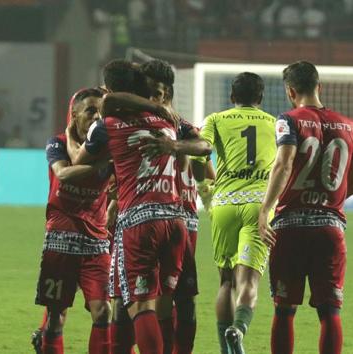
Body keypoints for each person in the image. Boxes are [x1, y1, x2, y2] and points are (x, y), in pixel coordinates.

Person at [68, 59, 207, 354]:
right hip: (176, 220)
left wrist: (70, 138)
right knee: (166, 305)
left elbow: (79, 160)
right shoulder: (169, 122)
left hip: (138, 222)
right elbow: (204, 148)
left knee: (138, 305)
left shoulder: (107, 125)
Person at [258, 61, 352, 354]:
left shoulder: (289, 119)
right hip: (330, 228)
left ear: (290, 91)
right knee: (330, 312)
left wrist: (265, 210)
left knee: (285, 309)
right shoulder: (348, 125)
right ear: (318, 86)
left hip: (290, 227)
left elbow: (284, 164)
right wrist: (331, 196)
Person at [192, 72, 276, 354]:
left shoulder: (216, 119)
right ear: (261, 99)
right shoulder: (275, 125)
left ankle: (225, 350)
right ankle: (238, 329)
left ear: (232, 97)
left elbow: (198, 156)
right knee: (248, 281)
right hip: (259, 206)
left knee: (226, 280)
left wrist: (205, 187)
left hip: (225, 204)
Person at [34, 88, 113, 354]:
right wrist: (103, 165)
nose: (98, 116)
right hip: (61, 240)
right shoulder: (56, 143)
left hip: (96, 243)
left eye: (102, 111)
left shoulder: (109, 146)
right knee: (56, 317)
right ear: (75, 114)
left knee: (103, 312)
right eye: (91, 110)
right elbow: (64, 173)